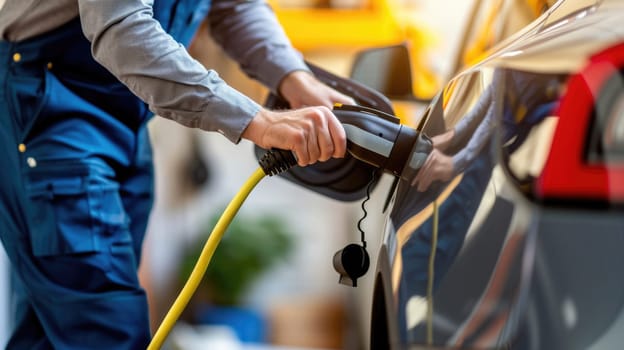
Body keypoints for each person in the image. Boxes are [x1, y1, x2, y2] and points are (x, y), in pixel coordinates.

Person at [0, 0, 354, 348]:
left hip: (127, 120)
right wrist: (258, 121)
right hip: (50, 113)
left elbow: (234, 6)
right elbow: (122, 29)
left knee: (49, 332)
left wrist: (295, 79)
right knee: (106, 328)